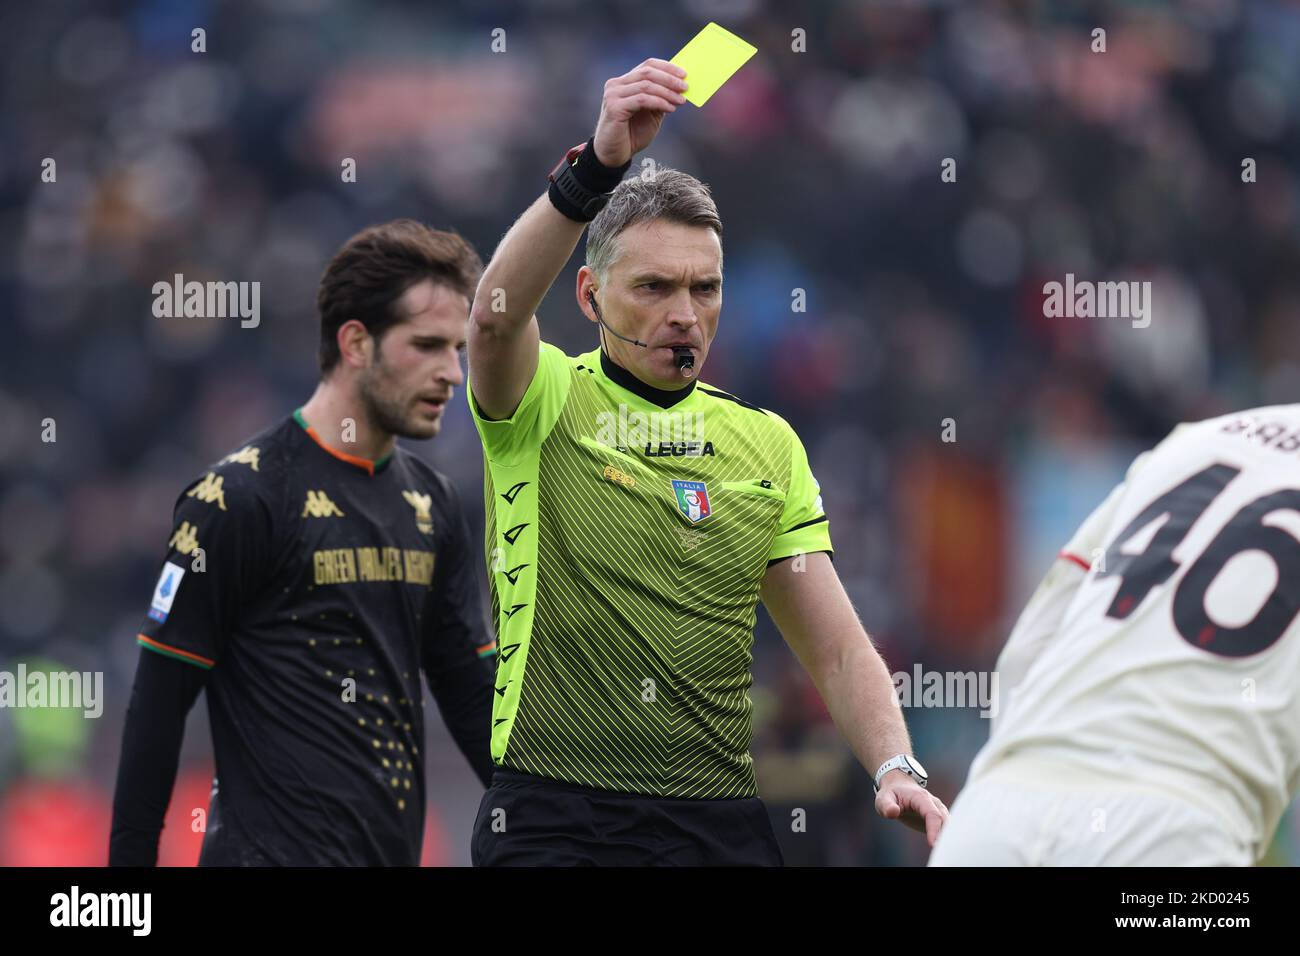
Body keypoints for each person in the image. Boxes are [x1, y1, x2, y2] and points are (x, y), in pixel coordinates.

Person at [465, 58, 947, 865]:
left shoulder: (766, 443)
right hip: (554, 815)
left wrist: (894, 766)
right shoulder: (542, 401)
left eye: (705, 289)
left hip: (716, 823)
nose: (684, 315)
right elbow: (493, 317)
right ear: (588, 297)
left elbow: (834, 650)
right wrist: (596, 167)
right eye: (652, 288)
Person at [110, 220, 497, 866]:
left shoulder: (436, 505)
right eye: (427, 346)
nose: (452, 374)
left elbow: (474, 703)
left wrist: (561, 837)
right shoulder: (237, 499)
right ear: (355, 343)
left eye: (457, 349)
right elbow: (156, 709)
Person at [931, 406, 1300, 866]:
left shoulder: (1197, 439)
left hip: (999, 809)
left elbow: (1032, 641)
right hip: (1175, 826)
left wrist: (1010, 769)